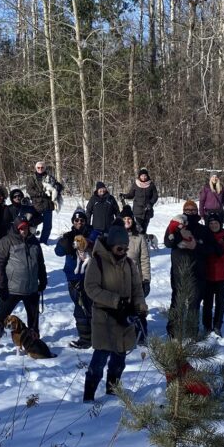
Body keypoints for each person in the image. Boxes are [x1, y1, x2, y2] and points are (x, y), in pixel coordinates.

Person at [82, 225, 147, 402]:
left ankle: (112, 391)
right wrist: (114, 300)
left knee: (119, 359)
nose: (123, 251)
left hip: (124, 318)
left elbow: (137, 288)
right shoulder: (97, 262)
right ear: (111, 245)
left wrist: (140, 305)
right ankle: (88, 396)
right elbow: (90, 288)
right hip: (104, 318)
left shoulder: (128, 263)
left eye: (126, 248)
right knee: (100, 359)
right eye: (120, 248)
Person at [0, 219, 47, 351]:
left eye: (25, 228)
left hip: (31, 288)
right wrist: (0, 285)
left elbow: (40, 263)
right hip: (11, 289)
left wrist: (42, 280)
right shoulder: (6, 241)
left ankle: (33, 341)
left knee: (33, 319)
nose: (23, 231)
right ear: (15, 228)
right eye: (20, 228)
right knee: (2, 316)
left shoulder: (34, 242)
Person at [163, 200, 214, 335]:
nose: (190, 212)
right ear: (183, 211)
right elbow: (168, 242)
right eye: (187, 210)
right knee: (177, 300)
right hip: (179, 269)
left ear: (197, 212)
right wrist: (180, 236)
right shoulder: (175, 226)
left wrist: (196, 246)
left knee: (194, 302)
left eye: (193, 210)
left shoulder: (203, 229)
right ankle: (173, 331)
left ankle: (192, 332)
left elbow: (212, 249)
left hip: (198, 271)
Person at [55, 208, 94, 349]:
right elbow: (58, 252)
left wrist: (89, 243)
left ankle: (95, 336)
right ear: (73, 221)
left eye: (82, 220)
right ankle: (85, 338)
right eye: (76, 220)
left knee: (91, 307)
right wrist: (64, 244)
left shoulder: (91, 232)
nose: (79, 222)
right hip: (73, 278)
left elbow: (99, 244)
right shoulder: (69, 235)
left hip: (91, 278)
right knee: (79, 307)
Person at [120, 206, 151, 345]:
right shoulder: (114, 236)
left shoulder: (139, 238)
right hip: (118, 280)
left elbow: (145, 260)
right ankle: (124, 334)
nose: (127, 221)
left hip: (136, 279)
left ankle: (141, 335)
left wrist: (146, 280)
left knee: (138, 309)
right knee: (121, 309)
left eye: (129, 219)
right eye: (124, 219)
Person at [202, 214, 224, 336]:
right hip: (207, 277)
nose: (213, 225)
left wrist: (221, 253)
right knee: (207, 304)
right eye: (210, 223)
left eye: (215, 223)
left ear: (220, 224)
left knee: (220, 303)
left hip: (222, 277)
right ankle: (207, 327)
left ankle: (217, 326)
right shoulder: (204, 239)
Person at [26, 161, 63, 245]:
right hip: (37, 205)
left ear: (45, 168)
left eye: (42, 167)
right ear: (36, 168)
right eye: (38, 167)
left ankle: (43, 241)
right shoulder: (32, 178)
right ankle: (31, 240)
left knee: (48, 226)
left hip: (48, 205)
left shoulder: (50, 177)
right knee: (32, 224)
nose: (40, 169)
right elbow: (29, 190)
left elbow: (58, 186)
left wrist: (57, 187)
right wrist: (39, 194)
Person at [120, 168, 158, 236]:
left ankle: (143, 243)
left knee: (144, 229)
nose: (143, 177)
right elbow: (131, 195)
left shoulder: (151, 185)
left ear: (147, 176)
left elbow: (155, 196)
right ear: (139, 176)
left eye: (145, 176)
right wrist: (124, 196)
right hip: (137, 211)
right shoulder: (136, 184)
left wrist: (151, 203)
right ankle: (136, 243)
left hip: (147, 211)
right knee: (138, 229)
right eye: (142, 176)